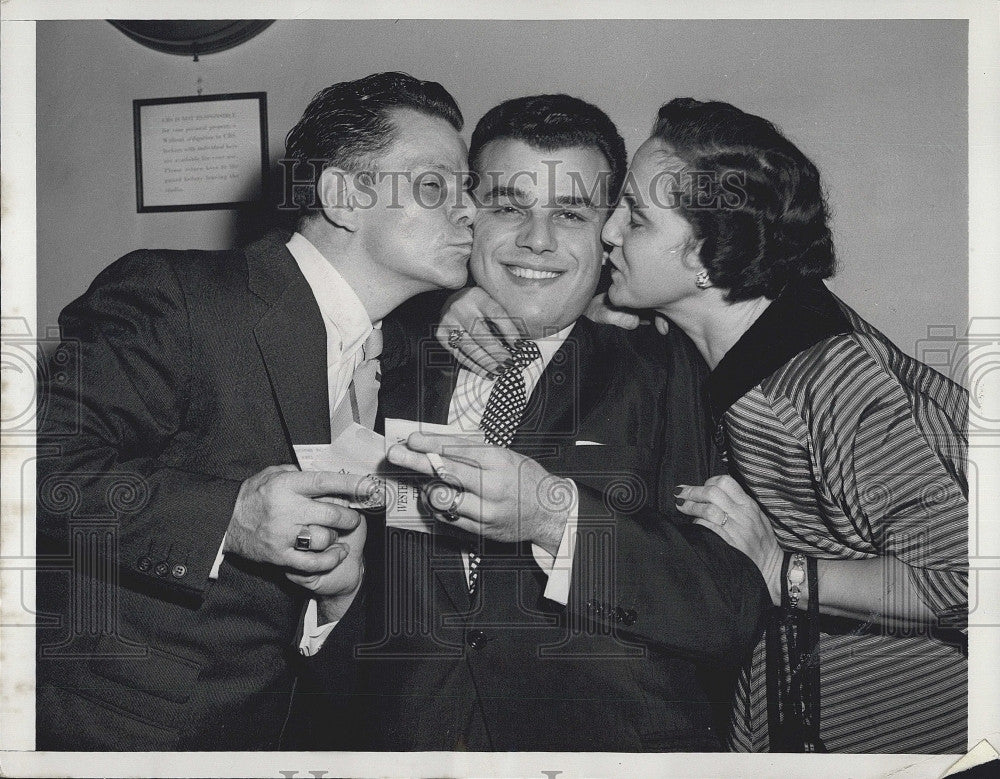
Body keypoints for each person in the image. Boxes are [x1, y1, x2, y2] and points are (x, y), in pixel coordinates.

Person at [447, 96, 968, 753]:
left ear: (710, 256)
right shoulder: (744, 339)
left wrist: (782, 572)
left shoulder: (826, 376)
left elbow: (967, 580)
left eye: (633, 218)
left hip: (922, 736)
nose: (608, 233)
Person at [300, 94, 770, 752]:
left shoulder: (669, 369)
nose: (537, 240)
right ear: (468, 212)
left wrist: (557, 518)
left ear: (607, 231)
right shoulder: (392, 344)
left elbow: (728, 605)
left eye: (570, 213)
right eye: (508, 205)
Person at [35, 72, 476, 750]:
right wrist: (230, 518)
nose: (470, 208)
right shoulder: (176, 294)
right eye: (435, 185)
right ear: (341, 197)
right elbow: (38, 469)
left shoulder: (405, 354)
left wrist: (334, 597)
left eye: (467, 186)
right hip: (122, 732)